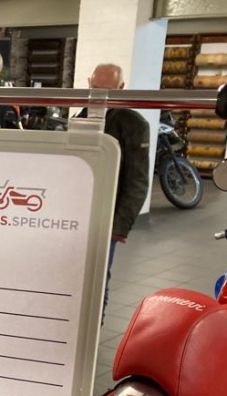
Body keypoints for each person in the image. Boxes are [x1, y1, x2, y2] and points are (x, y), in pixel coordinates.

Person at [89, 63, 150, 315]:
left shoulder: (134, 125)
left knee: (98, 280)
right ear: (88, 83)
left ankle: (96, 329)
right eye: (96, 89)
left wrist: (118, 228)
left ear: (122, 88)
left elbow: (138, 181)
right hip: (76, 219)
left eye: (109, 90)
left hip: (107, 220)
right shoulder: (81, 117)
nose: (101, 96)